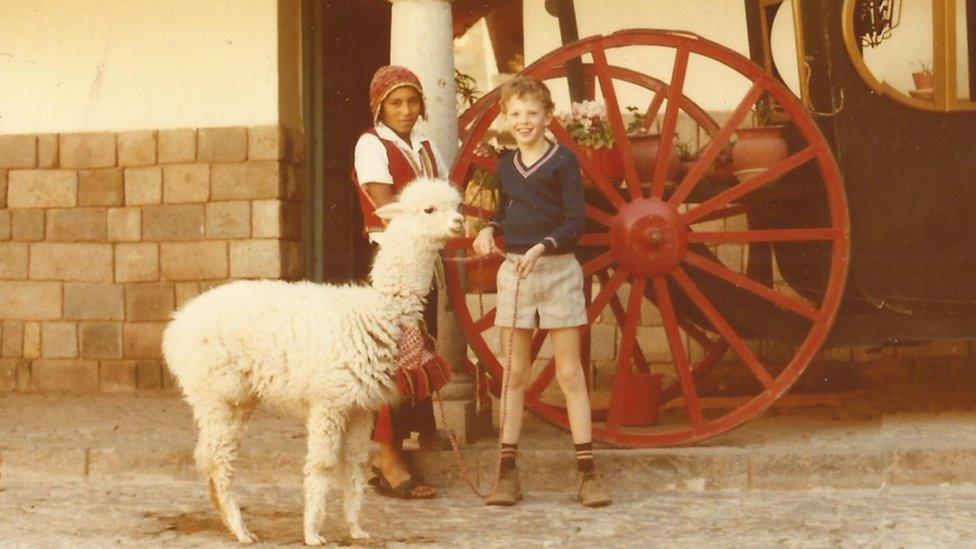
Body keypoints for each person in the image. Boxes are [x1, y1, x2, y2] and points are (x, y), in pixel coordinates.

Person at [472, 76, 612, 507]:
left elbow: (575, 222)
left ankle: (587, 474)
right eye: (515, 114)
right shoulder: (505, 165)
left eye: (532, 113)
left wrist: (543, 246)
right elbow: (504, 213)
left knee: (569, 373)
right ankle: (507, 475)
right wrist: (488, 231)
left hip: (556, 272)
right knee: (514, 375)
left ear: (548, 117)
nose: (524, 121)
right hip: (516, 273)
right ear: (505, 118)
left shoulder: (564, 161)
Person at [352, 64, 450, 500]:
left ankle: (416, 432)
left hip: (421, 261)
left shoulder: (427, 146)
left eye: (412, 102)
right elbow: (383, 201)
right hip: (389, 259)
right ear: (380, 107)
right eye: (396, 103)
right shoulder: (371, 145)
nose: (406, 111)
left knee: (418, 346)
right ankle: (386, 457)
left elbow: (441, 195)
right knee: (393, 354)